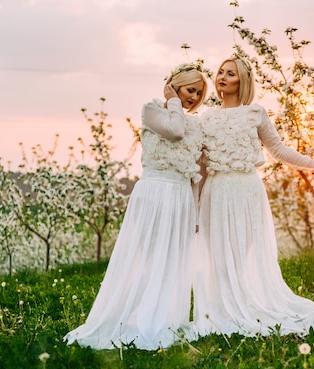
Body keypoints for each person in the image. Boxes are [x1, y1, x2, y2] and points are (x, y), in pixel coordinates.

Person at [192, 55, 314, 338]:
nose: (223, 77)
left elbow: (279, 150)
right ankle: (223, 312)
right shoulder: (206, 119)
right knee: (218, 257)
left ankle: (247, 308)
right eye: (221, 72)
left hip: (246, 191)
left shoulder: (255, 113)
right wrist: (195, 209)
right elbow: (200, 168)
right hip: (216, 191)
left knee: (241, 253)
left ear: (243, 81)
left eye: (231, 74)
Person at [64, 64, 207, 350]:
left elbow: (195, 173)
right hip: (155, 193)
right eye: (190, 89)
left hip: (180, 196)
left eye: (199, 93)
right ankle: (137, 317)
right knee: (149, 257)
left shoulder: (195, 123)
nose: (194, 97)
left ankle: (165, 317)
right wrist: (174, 101)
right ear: (173, 85)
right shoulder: (152, 110)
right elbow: (175, 132)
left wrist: (194, 211)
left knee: (174, 261)